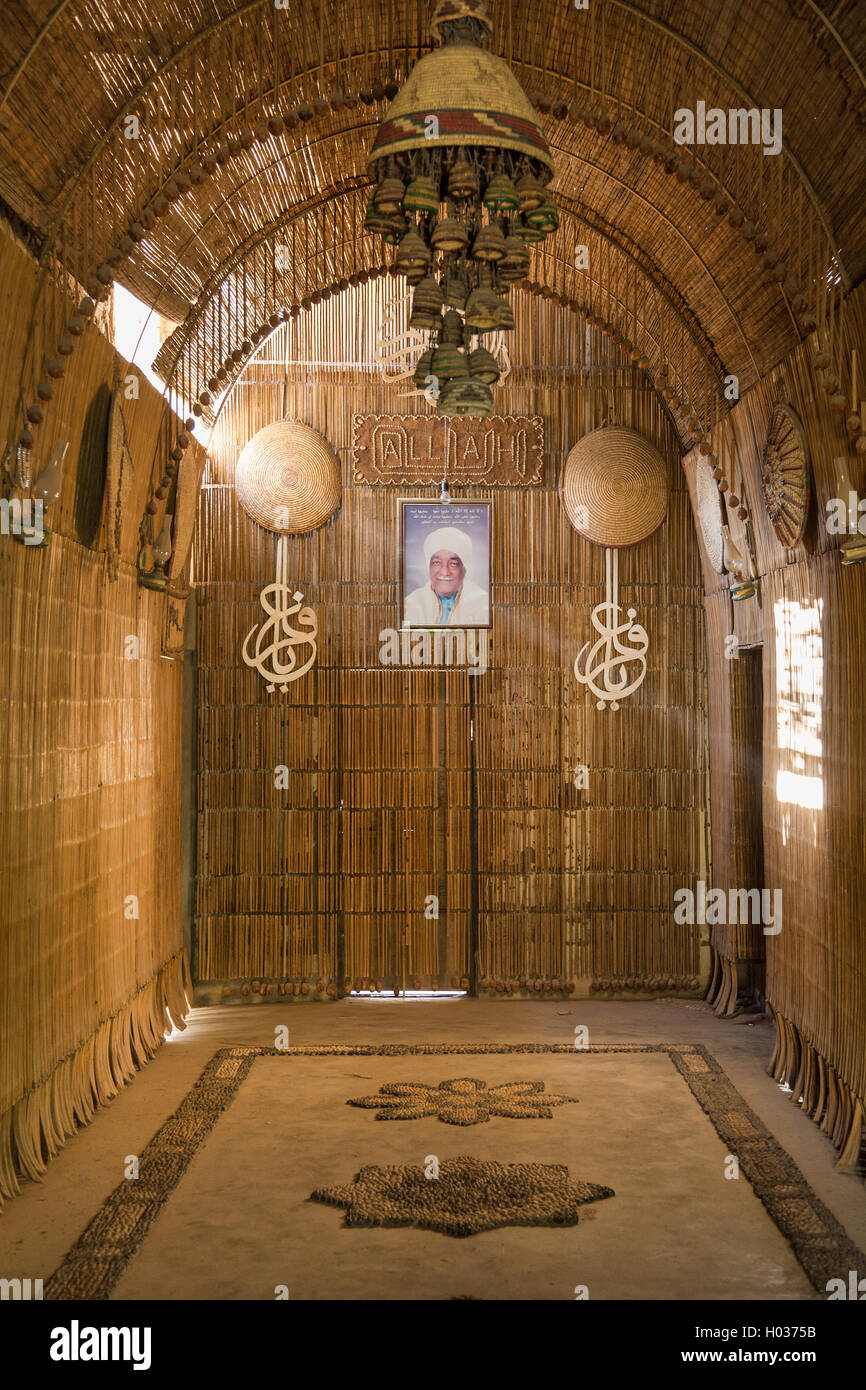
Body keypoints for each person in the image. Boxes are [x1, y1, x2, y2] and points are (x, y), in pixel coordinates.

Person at [403, 525, 489, 626]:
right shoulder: (412, 604)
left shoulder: (483, 604)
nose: (445, 572)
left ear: (464, 569)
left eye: (453, 564)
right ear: (428, 567)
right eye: (436, 563)